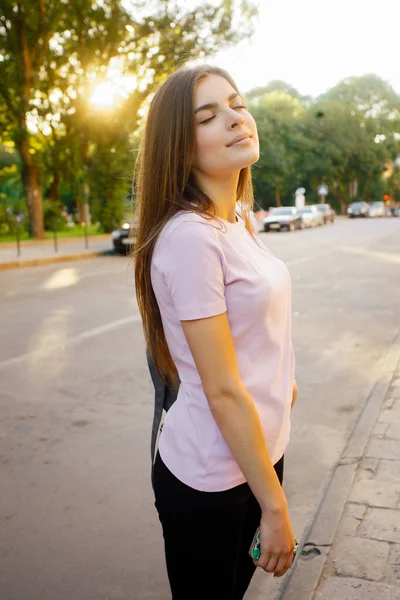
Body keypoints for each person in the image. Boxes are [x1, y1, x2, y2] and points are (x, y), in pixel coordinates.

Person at [134, 65, 298, 600]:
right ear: (180, 148)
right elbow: (222, 389)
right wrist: (274, 506)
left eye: (237, 104)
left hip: (257, 455)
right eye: (209, 116)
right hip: (212, 481)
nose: (235, 118)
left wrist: (282, 387)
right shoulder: (190, 239)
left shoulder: (237, 221)